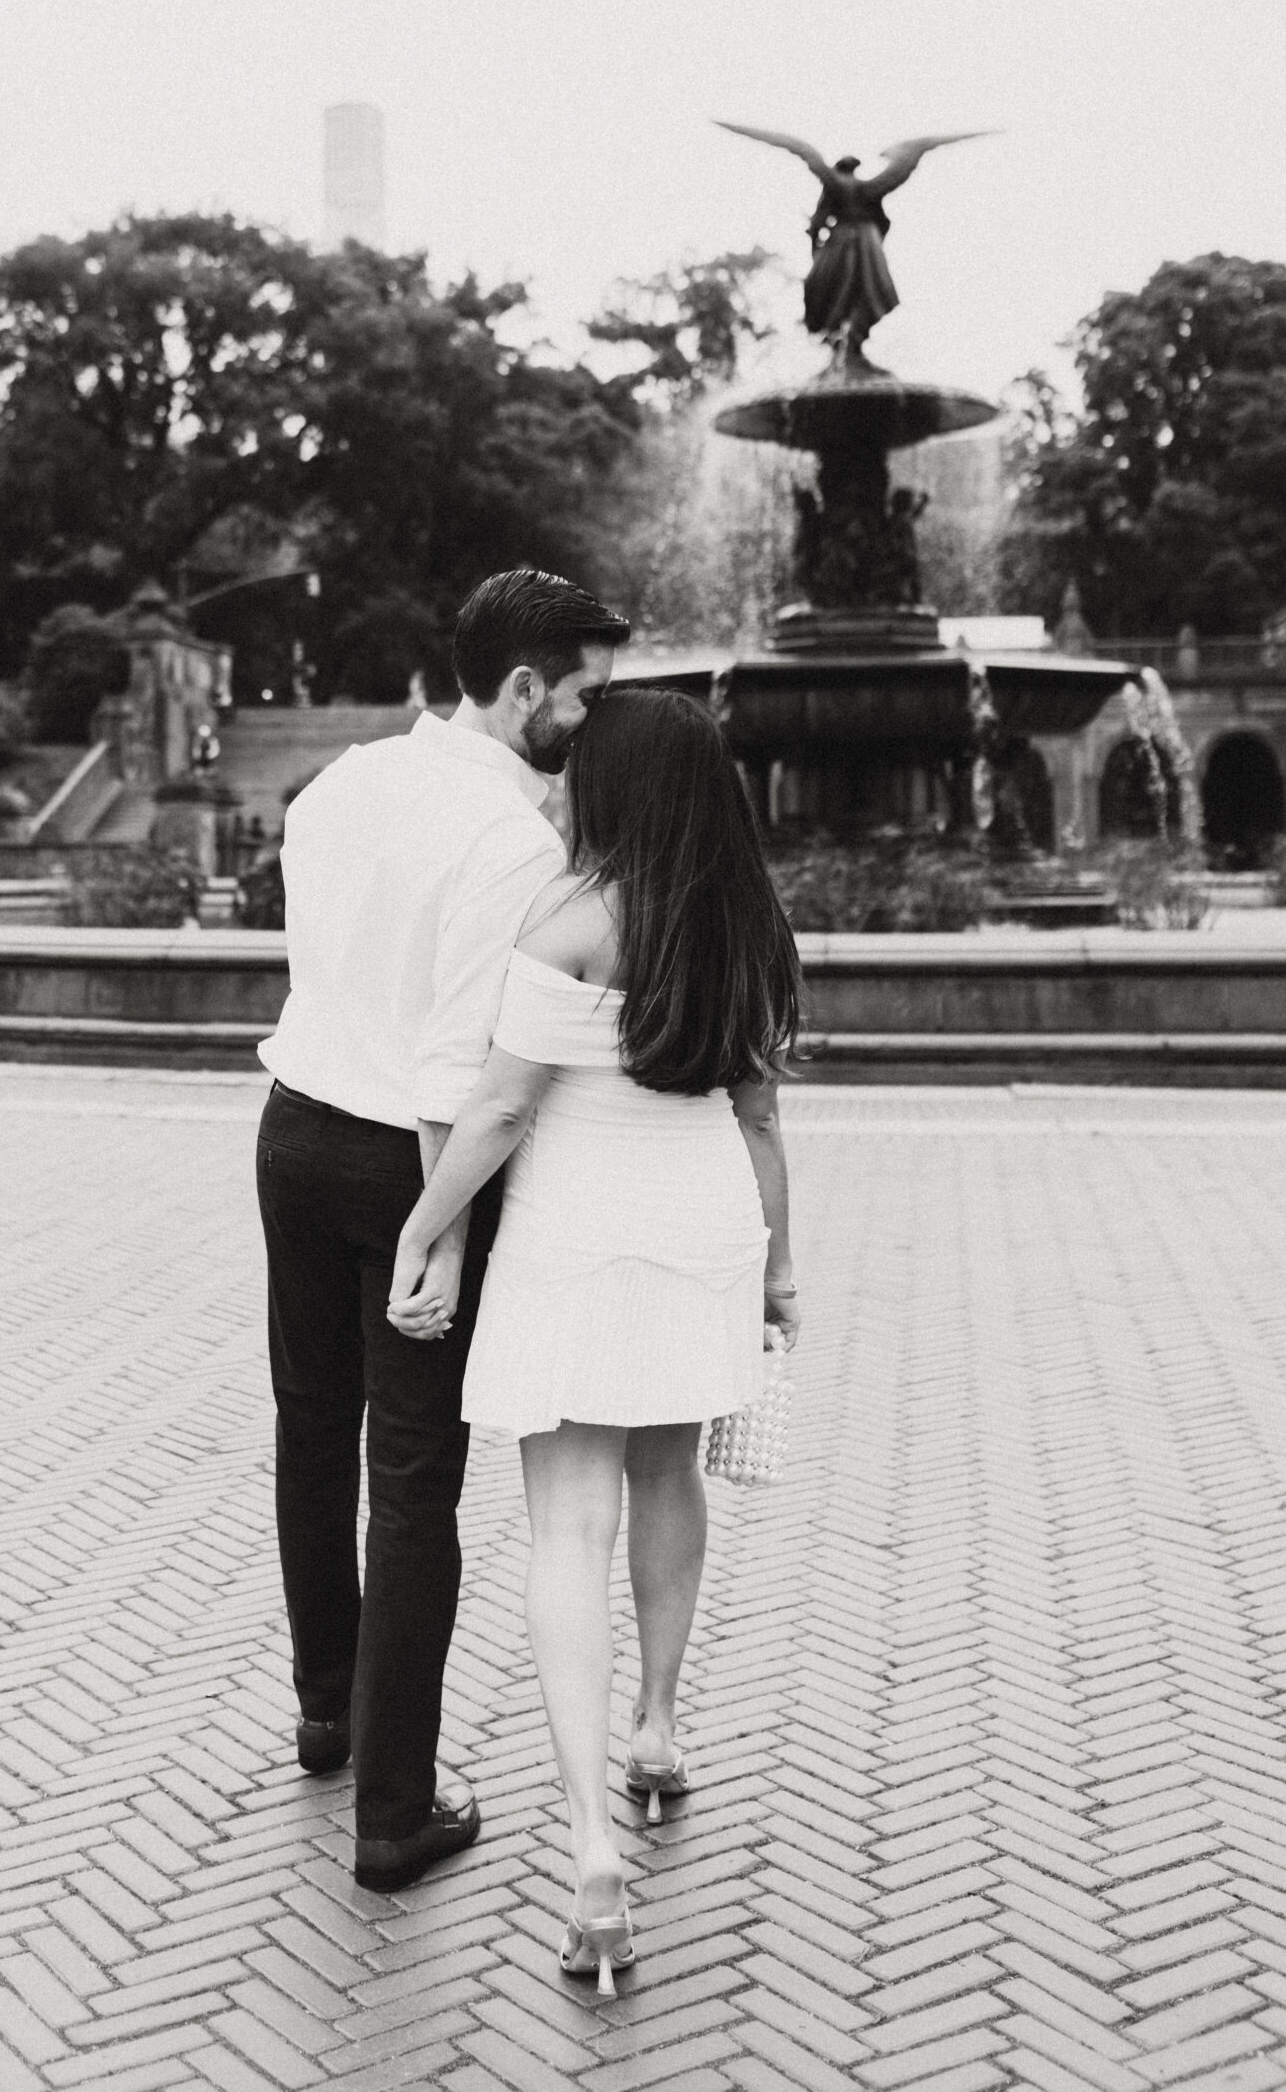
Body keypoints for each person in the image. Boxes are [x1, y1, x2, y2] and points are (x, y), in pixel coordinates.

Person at [386, 687, 802, 1992]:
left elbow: (502, 1109)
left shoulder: (568, 920)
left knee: (567, 1524)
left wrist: (424, 1225)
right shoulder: (748, 925)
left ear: (610, 789)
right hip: (704, 1225)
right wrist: (784, 1269)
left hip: (578, 1225)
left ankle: (585, 1847)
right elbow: (762, 1120)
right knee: (668, 1474)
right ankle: (662, 1727)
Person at [255, 567, 630, 1893]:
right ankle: (395, 1814)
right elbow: (456, 1075)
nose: (595, 717)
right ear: (525, 688)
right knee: (415, 1477)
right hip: (399, 1159)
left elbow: (321, 968)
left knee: (312, 1428)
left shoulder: (342, 782)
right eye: (584, 693)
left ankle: (327, 1711)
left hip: (290, 1129)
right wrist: (443, 1239)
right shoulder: (514, 844)